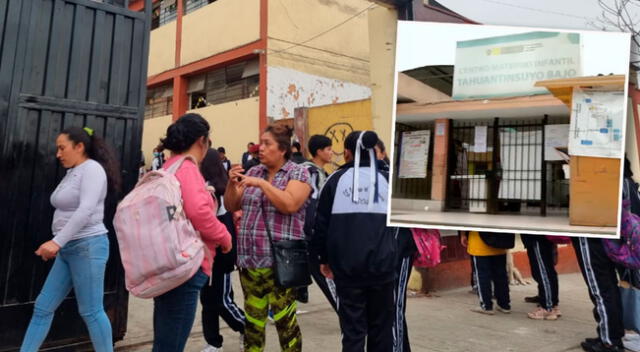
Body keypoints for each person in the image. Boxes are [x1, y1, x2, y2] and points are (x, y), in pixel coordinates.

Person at [20, 126, 121, 352]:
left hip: (88, 247)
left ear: (79, 146)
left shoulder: (92, 169)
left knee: (91, 311)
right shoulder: (73, 172)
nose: (58, 154)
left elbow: (85, 210)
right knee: (43, 307)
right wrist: (61, 243)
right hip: (69, 249)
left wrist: (57, 242)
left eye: (62, 148)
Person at [224, 124, 312, 352]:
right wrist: (231, 184)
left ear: (282, 149)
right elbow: (231, 205)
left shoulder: (298, 173)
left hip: (281, 263)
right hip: (250, 261)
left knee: (285, 322)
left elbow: (290, 204)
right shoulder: (252, 172)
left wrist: (263, 185)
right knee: (253, 323)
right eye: (260, 143)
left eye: (267, 144)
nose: (260, 148)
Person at [312, 130, 398, 352]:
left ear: (348, 153)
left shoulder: (334, 180)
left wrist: (322, 259)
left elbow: (320, 225)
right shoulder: (389, 180)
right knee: (382, 330)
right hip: (383, 268)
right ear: (375, 152)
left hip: (347, 271)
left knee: (353, 332)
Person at [154, 113, 232, 352]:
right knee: (172, 343)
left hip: (167, 260)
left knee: (165, 337)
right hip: (185, 267)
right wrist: (224, 236)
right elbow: (199, 213)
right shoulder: (187, 168)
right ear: (202, 140)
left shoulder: (168, 166)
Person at [199, 149, 246, 352]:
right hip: (205, 256)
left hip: (221, 255)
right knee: (207, 301)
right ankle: (213, 342)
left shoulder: (218, 190)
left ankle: (248, 327)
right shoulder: (202, 187)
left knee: (222, 300)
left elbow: (216, 225)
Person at [299, 135, 334, 307]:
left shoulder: (321, 173)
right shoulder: (311, 172)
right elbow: (312, 204)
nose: (332, 153)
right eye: (328, 149)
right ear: (319, 152)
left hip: (308, 232)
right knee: (322, 272)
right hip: (310, 232)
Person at [460, 231, 511, 315]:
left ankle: (486, 306)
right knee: (501, 274)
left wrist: (463, 234)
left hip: (479, 243)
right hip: (499, 242)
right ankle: (504, 305)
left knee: (482, 275)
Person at [521, 234, 561, 320]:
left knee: (543, 271)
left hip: (537, 237)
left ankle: (547, 307)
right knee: (547, 270)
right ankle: (553, 304)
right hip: (541, 237)